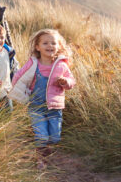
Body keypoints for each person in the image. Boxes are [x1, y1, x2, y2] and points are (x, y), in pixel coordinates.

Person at [8, 29, 75, 169]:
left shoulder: (61, 65)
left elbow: (71, 81)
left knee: (55, 136)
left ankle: (46, 149)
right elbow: (18, 76)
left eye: (53, 43)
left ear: (59, 46)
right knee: (42, 135)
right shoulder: (33, 64)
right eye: (45, 43)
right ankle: (40, 157)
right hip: (35, 105)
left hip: (54, 107)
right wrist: (20, 91)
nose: (49, 45)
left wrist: (65, 82)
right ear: (38, 47)